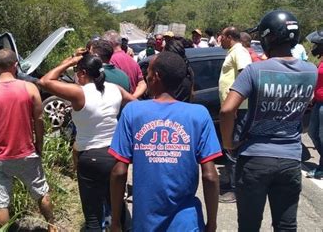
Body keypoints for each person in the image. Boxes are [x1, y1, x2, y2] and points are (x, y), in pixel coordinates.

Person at [220, 10, 317, 231]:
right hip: (291, 159)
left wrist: (229, 143)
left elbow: (227, 110)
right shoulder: (310, 71)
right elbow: (307, 104)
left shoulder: (255, 71)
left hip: (254, 159)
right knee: (286, 225)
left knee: (249, 224)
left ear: (268, 37)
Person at [109, 51, 222, 232]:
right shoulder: (199, 114)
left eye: (148, 73)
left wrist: (115, 221)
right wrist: (212, 223)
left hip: (145, 223)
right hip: (187, 224)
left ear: (156, 77)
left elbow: (119, 171)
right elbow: (210, 176)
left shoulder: (133, 112)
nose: (146, 77)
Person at [38, 52, 134, 231]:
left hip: (90, 157)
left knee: (92, 217)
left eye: (76, 71)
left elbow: (44, 81)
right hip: (115, 155)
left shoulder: (79, 92)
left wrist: (69, 61)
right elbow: (135, 104)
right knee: (116, 206)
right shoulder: (115, 89)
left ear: (82, 73)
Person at [0, 49, 56, 230]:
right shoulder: (30, 88)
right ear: (16, 65)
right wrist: (39, 146)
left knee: (0, 202)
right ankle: (51, 226)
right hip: (27, 152)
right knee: (41, 192)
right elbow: (39, 121)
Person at [218, 27, 252, 203]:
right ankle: (233, 184)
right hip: (234, 108)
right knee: (231, 146)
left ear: (229, 37)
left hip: (238, 109)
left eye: (221, 37)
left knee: (233, 147)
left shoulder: (240, 51)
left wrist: (236, 102)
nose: (219, 40)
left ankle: (236, 190)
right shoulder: (233, 51)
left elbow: (245, 73)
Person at [103, 30, 147, 98]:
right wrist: (133, 98)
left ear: (109, 43)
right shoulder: (132, 60)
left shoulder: (110, 61)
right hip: (132, 104)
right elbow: (142, 84)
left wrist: (129, 99)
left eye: (104, 44)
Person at [307, 30, 323, 179]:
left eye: (317, 45)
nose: (314, 48)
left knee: (322, 136)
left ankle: (322, 167)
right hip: (318, 102)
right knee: (312, 133)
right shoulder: (321, 60)